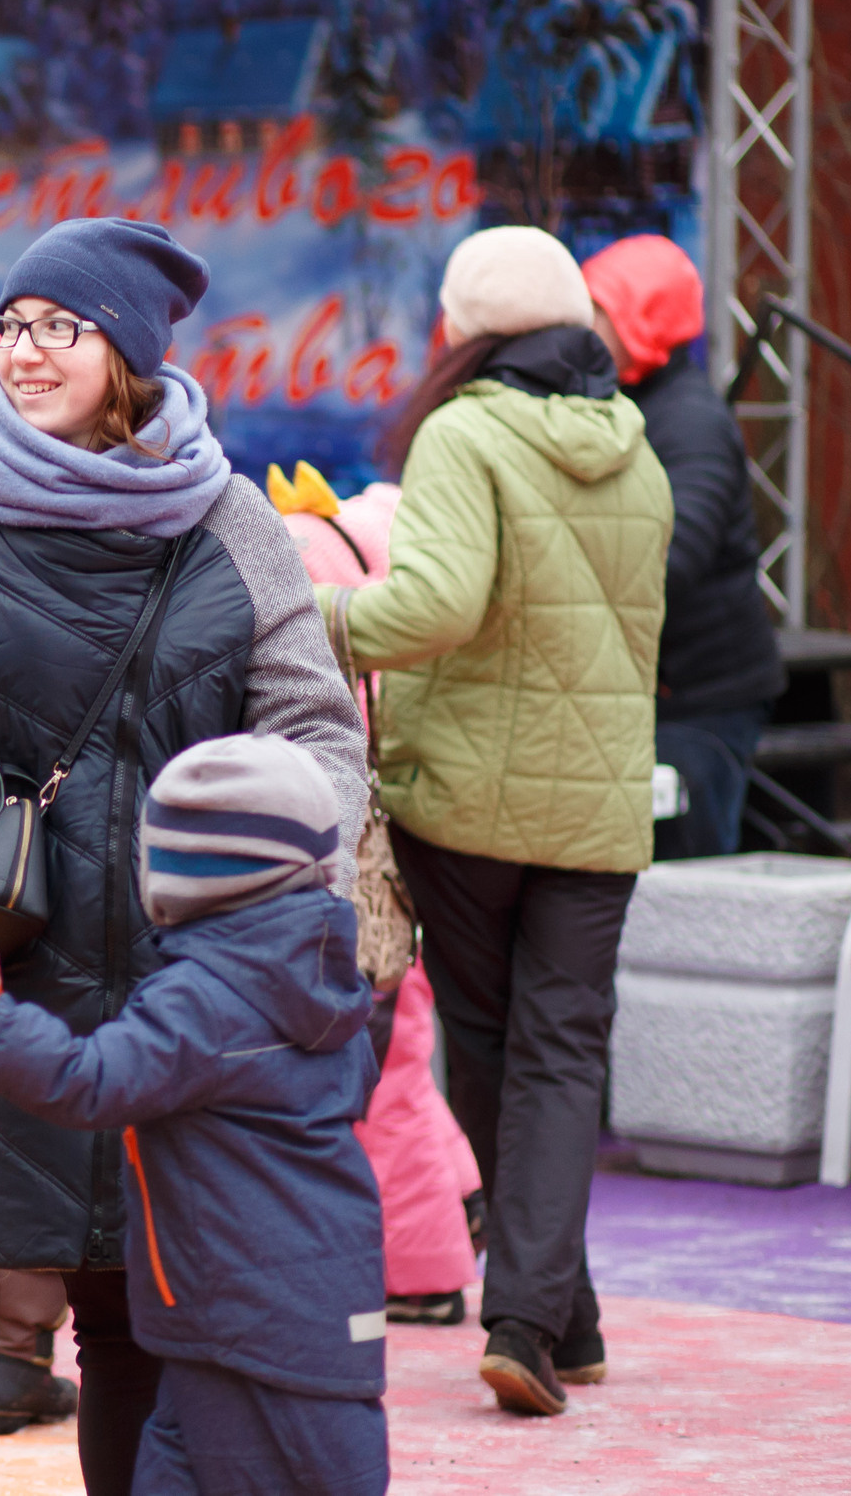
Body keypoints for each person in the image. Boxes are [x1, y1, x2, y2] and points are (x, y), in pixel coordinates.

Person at [0, 217, 367, 1494]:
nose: (19, 351)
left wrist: (287, 907)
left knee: (189, 1316)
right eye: (6, 324)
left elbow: (318, 738)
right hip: (31, 975)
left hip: (208, 989)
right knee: (107, 1319)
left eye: (55, 327)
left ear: (124, 347)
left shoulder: (228, 522)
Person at [329, 224, 671, 1416]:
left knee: (485, 1052)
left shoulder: (462, 431)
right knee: (564, 1056)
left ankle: (523, 1318)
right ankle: (555, 1319)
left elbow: (430, 606)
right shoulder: (637, 448)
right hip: (600, 810)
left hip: (466, 801)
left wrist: (308, 615)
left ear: (461, 326)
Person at [0, 735, 389, 1496]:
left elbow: (88, 1082)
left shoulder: (205, 1000)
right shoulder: (319, 976)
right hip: (298, 1307)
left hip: (244, 1319)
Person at [270, 466, 486, 1323]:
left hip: (341, 866)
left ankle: (424, 1270)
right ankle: (461, 1194)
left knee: (386, 1073)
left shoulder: (297, 556)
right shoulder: (374, 570)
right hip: (394, 859)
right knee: (404, 1055)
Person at [580, 234, 785, 859]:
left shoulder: (691, 421)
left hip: (702, 702)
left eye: (598, 313)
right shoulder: (615, 404)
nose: (581, 330)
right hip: (647, 692)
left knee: (691, 881)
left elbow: (673, 562)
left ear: (641, 321)